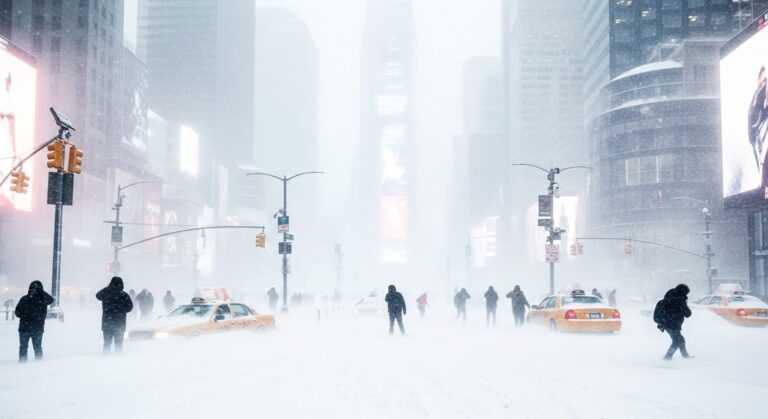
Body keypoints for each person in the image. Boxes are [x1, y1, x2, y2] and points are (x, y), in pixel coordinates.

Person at [15, 281, 54, 362]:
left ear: (40, 290)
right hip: (25, 328)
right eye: (32, 289)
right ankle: (22, 363)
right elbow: (17, 312)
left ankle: (38, 364)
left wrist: (41, 292)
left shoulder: (42, 300)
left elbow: (50, 299)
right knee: (23, 347)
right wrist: (25, 315)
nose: (33, 291)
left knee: (37, 347)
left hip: (36, 328)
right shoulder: (24, 299)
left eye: (36, 289)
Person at [653, 284, 693, 360]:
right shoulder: (679, 300)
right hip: (673, 324)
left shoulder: (668, 297)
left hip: (666, 323)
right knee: (677, 341)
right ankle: (668, 357)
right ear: (683, 292)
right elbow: (688, 314)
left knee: (680, 340)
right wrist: (685, 304)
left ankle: (685, 356)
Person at [96, 277, 134, 354]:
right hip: (120, 323)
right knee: (119, 344)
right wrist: (122, 310)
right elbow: (129, 308)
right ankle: (117, 359)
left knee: (107, 343)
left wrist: (107, 288)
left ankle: (104, 358)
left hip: (107, 323)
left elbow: (97, 295)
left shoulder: (106, 293)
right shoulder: (124, 295)